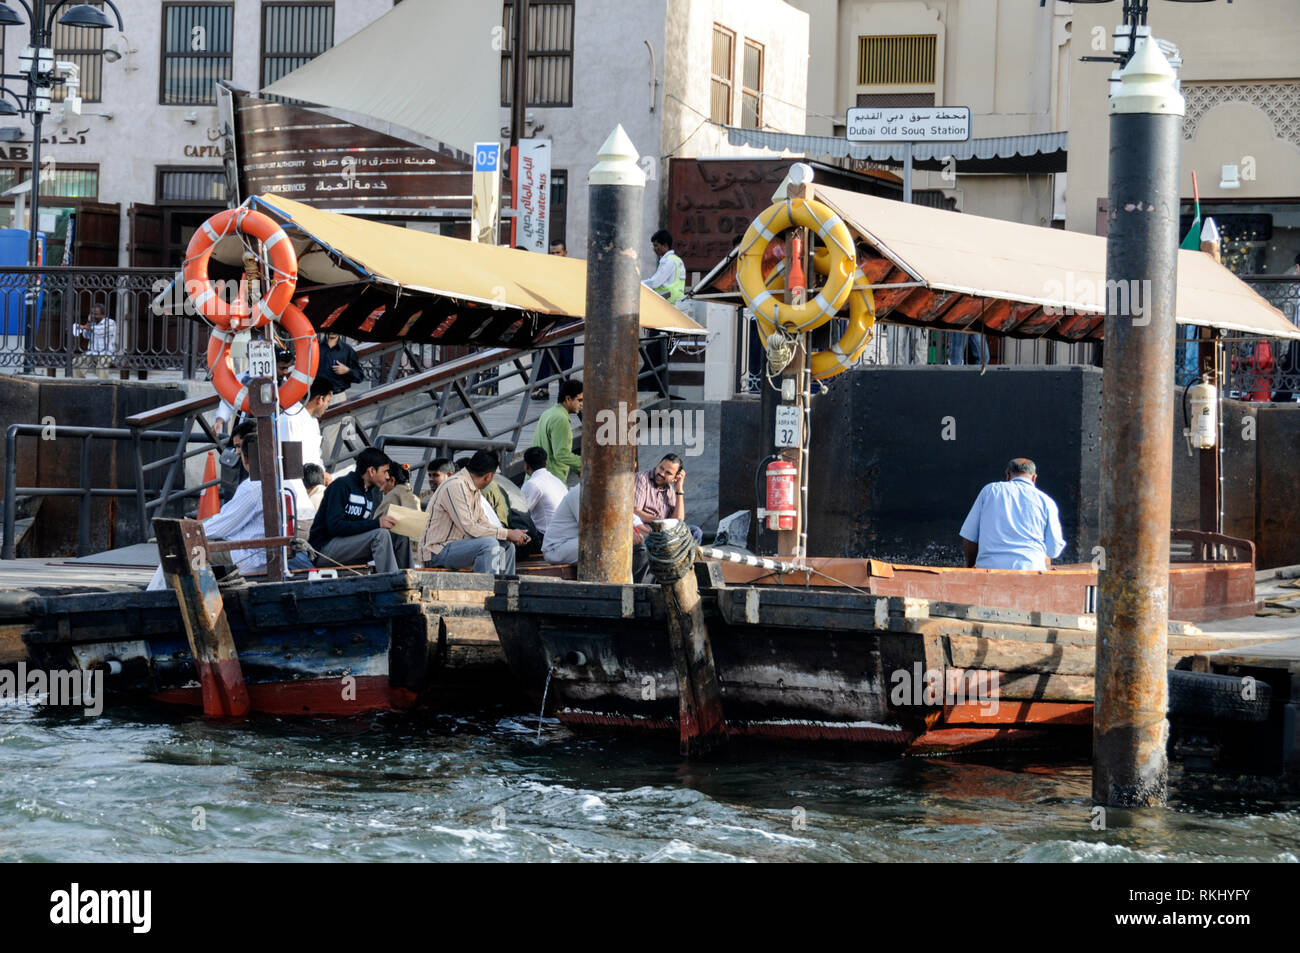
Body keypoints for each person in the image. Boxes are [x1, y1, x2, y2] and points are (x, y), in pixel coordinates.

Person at [420, 450, 527, 574]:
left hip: (456, 547)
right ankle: (485, 591)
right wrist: (507, 533)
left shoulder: (472, 488)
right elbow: (469, 528)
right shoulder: (455, 485)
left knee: (507, 546)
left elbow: (483, 522)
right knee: (489, 545)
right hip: (436, 552)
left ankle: (504, 590)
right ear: (489, 476)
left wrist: (511, 534)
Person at [307, 447, 408, 573]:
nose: (388, 476)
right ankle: (392, 583)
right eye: (385, 471)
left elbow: (362, 528)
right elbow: (335, 526)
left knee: (400, 535)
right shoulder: (341, 486)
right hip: (324, 550)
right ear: (371, 471)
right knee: (380, 535)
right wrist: (377, 523)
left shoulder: (369, 493)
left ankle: (409, 580)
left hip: (348, 547)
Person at [959, 458, 1065, 571]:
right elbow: (1053, 550)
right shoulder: (1047, 501)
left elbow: (969, 537)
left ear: (1008, 475)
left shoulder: (990, 491)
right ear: (1034, 478)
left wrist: (970, 566)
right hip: (1031, 570)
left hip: (990, 569)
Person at [542, 483, 649, 580]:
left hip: (578, 542)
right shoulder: (581, 491)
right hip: (556, 548)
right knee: (607, 545)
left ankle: (631, 590)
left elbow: (625, 521)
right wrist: (625, 535)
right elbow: (594, 530)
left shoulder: (607, 492)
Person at [277, 376, 333, 521]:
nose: (327, 406)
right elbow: (290, 462)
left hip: (314, 480)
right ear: (319, 399)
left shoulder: (312, 421)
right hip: (297, 485)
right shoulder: (290, 419)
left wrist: (323, 475)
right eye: (327, 401)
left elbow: (316, 456)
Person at [633, 452, 702, 544]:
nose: (661, 473)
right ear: (658, 463)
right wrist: (659, 521)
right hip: (644, 529)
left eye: (668, 473)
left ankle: (682, 558)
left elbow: (678, 520)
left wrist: (679, 489)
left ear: (675, 478)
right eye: (661, 468)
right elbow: (635, 511)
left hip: (664, 531)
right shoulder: (642, 479)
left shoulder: (670, 490)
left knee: (695, 531)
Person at [532, 379, 583, 481]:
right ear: (568, 399)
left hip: (539, 478)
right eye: (580, 400)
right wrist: (584, 464)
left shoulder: (548, 413)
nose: (582, 404)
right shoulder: (561, 419)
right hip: (551, 481)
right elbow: (561, 454)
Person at [520, 446, 566, 535]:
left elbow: (520, 513)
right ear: (546, 463)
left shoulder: (532, 484)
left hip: (547, 537)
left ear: (526, 465)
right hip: (564, 531)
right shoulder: (557, 480)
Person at [73, 303, 117, 380]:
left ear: (103, 315)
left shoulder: (110, 322)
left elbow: (101, 331)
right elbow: (86, 336)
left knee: (102, 364)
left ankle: (102, 385)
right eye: (92, 313)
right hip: (92, 353)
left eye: (96, 314)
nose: (93, 316)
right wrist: (88, 323)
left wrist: (87, 327)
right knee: (76, 362)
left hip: (106, 353)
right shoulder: (92, 324)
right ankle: (79, 381)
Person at [642, 229, 685, 304]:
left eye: (656, 245)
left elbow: (654, 282)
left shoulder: (668, 262)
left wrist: (638, 285)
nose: (654, 249)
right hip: (677, 301)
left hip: (668, 303)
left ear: (665, 245)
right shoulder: (677, 260)